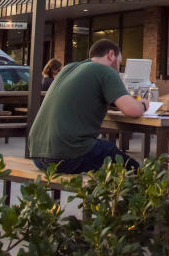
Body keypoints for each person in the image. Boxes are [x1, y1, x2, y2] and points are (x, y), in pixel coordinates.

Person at [28, 39, 147, 174]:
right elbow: (133, 110)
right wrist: (143, 104)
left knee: (105, 153)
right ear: (111, 55)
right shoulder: (105, 70)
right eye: (119, 63)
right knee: (132, 168)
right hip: (67, 155)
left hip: (38, 155)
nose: (119, 69)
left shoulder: (68, 68)